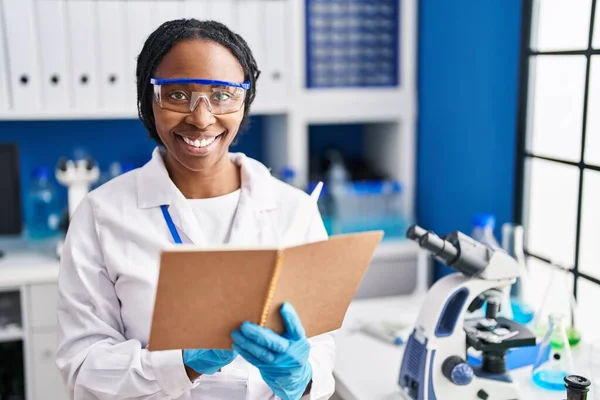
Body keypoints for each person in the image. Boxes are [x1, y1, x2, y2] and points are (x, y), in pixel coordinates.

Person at [55, 19, 336, 400]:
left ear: (244, 101)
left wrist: (300, 381)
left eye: (222, 95)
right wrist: (181, 362)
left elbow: (320, 348)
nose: (201, 118)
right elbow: (83, 367)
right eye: (176, 95)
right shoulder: (101, 215)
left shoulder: (294, 210)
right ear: (148, 101)